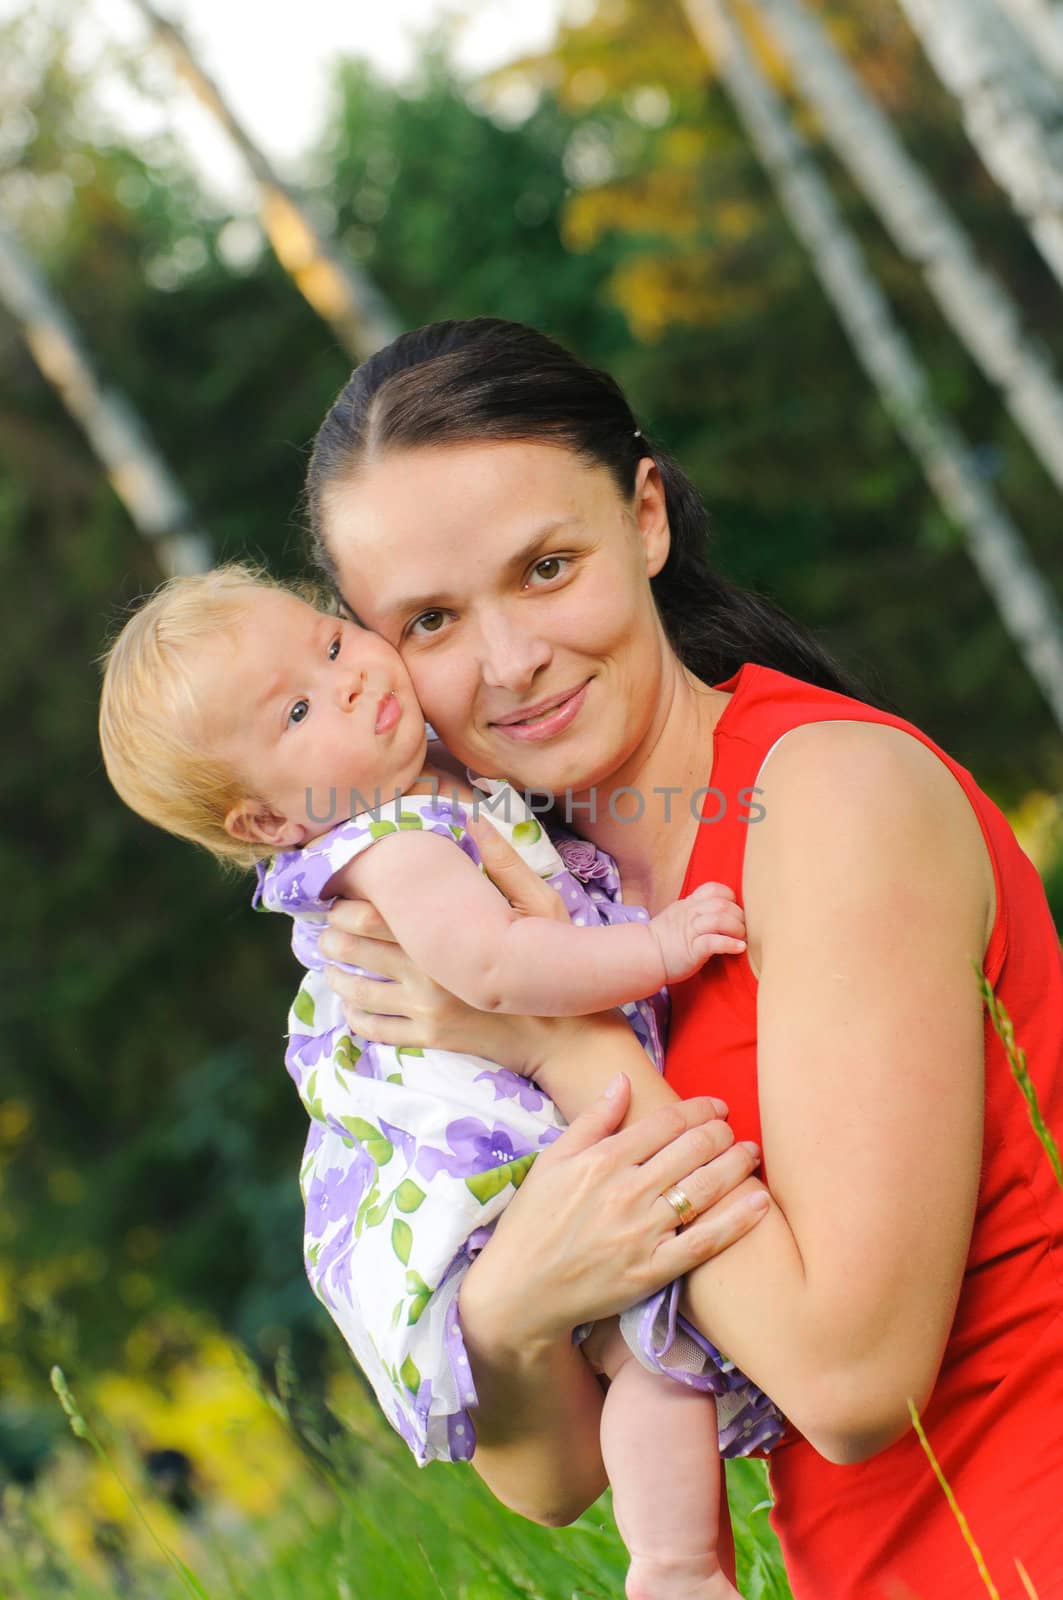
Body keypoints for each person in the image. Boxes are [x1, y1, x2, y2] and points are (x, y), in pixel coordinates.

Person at [303, 316, 1063, 1599]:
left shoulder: (823, 801)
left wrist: (551, 1040)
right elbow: (547, 1479)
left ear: (644, 517)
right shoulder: (509, 901)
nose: (509, 661)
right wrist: (506, 1305)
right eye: (431, 619)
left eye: (546, 568)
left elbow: (851, 1377)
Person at [96, 564, 783, 1600]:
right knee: (648, 1340)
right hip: (481, 1160)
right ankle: (675, 1563)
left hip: (504, 1129)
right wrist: (661, 944)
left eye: (330, 643)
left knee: (650, 1348)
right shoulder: (389, 847)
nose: (351, 681)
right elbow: (499, 970)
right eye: (295, 710)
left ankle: (679, 1561)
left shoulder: (427, 782)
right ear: (270, 823)